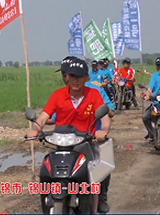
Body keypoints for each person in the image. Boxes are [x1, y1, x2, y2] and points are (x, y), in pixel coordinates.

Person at [27, 58, 111, 214]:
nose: (75, 80)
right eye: (72, 76)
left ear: (87, 77)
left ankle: (93, 208)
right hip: (61, 144)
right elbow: (44, 116)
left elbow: (104, 117)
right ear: (67, 77)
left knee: (95, 176)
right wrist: (35, 129)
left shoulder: (93, 94)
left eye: (79, 76)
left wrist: (103, 130)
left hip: (84, 142)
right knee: (48, 171)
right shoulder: (57, 95)